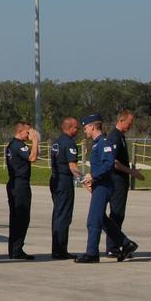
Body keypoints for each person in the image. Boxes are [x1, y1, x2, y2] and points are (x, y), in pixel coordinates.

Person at [76, 114, 138, 263]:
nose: (85, 131)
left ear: (92, 127)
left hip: (104, 186)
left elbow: (109, 164)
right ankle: (126, 243)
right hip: (99, 184)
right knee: (103, 219)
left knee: (93, 220)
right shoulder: (97, 143)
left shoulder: (104, 143)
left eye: (85, 128)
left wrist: (93, 176)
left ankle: (92, 253)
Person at [106, 110, 144, 253]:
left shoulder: (120, 136)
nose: (130, 126)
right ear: (121, 121)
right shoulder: (114, 137)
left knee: (119, 214)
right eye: (129, 123)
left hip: (121, 180)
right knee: (116, 213)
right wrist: (131, 172)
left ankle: (114, 244)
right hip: (116, 181)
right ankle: (112, 246)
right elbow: (114, 162)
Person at [48, 116, 81, 260]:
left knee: (57, 215)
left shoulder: (57, 141)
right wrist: (85, 181)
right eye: (76, 127)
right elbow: (72, 166)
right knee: (64, 216)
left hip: (55, 179)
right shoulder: (69, 143)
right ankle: (60, 250)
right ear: (70, 128)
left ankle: (57, 248)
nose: (78, 130)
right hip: (64, 181)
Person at [4, 121, 38, 260]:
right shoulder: (19, 146)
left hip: (14, 183)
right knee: (22, 217)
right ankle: (16, 249)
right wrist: (35, 141)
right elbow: (33, 158)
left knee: (16, 217)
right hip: (20, 184)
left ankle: (14, 249)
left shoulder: (11, 145)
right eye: (27, 132)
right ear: (20, 131)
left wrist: (34, 143)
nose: (29, 134)